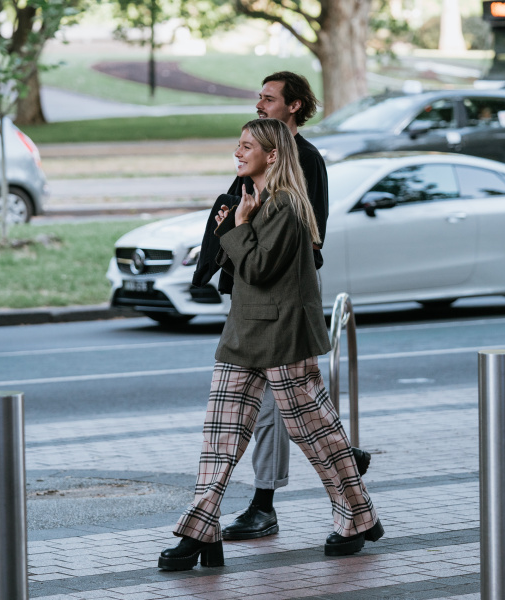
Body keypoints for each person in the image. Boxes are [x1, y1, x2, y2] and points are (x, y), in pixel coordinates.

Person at [159, 118, 384, 571]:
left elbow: (260, 269)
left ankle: (358, 517)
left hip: (283, 334)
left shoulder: (287, 206)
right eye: (238, 145)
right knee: (219, 437)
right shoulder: (252, 199)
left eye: (247, 146)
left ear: (273, 155)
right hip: (243, 331)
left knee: (316, 434)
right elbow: (240, 267)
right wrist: (231, 226)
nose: (238, 153)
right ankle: (201, 529)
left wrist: (237, 228)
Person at [191, 71, 371, 541]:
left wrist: (241, 235)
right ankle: (203, 523)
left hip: (280, 307)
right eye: (259, 97)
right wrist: (230, 236)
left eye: (269, 98)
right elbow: (243, 222)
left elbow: (299, 240)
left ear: (293, 106)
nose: (260, 103)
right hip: (250, 308)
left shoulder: (301, 166)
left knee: (297, 418)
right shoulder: (257, 160)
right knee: (233, 424)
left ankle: (282, 501)